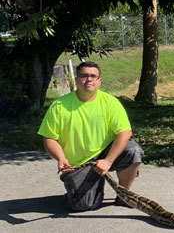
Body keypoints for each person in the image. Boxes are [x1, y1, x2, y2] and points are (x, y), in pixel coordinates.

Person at [38, 61, 144, 211]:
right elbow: (49, 138)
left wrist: (108, 161)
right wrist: (61, 158)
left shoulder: (110, 102)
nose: (89, 79)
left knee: (133, 151)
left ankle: (124, 195)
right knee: (85, 205)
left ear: (99, 81)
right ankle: (79, 189)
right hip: (80, 163)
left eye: (93, 76)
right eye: (84, 76)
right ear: (76, 79)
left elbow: (125, 132)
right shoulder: (59, 106)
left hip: (106, 154)